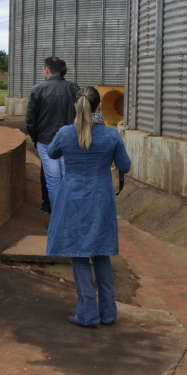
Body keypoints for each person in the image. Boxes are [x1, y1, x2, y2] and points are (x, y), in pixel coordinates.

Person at [46, 87, 132, 328]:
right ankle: (108, 313)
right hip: (100, 198)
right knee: (101, 252)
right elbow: (125, 166)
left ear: (76, 106)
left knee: (79, 253)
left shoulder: (65, 133)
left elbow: (52, 153)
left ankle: (87, 313)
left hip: (72, 198)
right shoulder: (112, 136)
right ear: (99, 107)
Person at [25, 57, 80, 210]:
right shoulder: (74, 89)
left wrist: (36, 138)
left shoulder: (38, 89)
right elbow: (82, 116)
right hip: (70, 141)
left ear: (47, 70)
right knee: (67, 177)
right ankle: (69, 212)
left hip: (46, 141)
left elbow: (30, 120)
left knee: (53, 180)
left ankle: (57, 215)